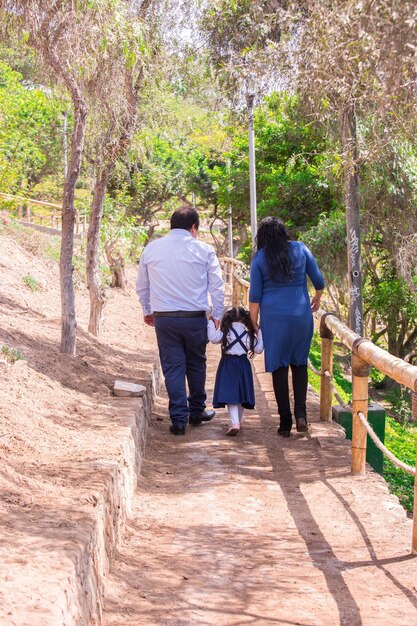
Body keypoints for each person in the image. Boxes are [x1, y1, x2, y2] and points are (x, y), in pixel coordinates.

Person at [136, 207, 225, 436]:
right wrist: (217, 315)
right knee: (196, 363)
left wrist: (147, 310)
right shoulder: (204, 250)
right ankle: (196, 412)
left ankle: (178, 420)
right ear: (193, 227)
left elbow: (142, 286)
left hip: (164, 319)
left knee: (173, 367)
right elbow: (217, 286)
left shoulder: (152, 249)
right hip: (195, 318)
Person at [249, 217, 325, 438]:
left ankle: (284, 423)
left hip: (274, 318)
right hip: (301, 314)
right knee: (300, 363)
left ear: (262, 237)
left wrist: (254, 323)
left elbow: (254, 298)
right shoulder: (300, 249)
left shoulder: (260, 258)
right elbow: (319, 281)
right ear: (284, 232)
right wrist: (317, 298)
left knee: (279, 367)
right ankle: (301, 415)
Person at [208, 306, 264, 436]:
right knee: (241, 394)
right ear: (246, 321)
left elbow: (213, 337)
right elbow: (259, 349)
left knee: (231, 395)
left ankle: (235, 423)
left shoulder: (226, 332)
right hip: (244, 364)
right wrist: (259, 332)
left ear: (228, 319)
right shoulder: (248, 336)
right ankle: (238, 421)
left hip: (228, 364)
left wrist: (211, 322)